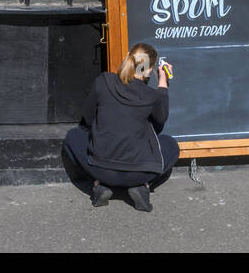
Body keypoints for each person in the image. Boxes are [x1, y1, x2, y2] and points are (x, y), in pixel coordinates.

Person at [62, 42, 180, 211]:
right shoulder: (152, 96)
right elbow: (159, 124)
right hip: (139, 173)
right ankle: (143, 186)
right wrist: (163, 80)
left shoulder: (103, 81)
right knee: (171, 145)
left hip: (100, 169)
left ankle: (99, 185)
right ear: (148, 70)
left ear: (128, 57)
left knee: (73, 137)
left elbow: (87, 120)